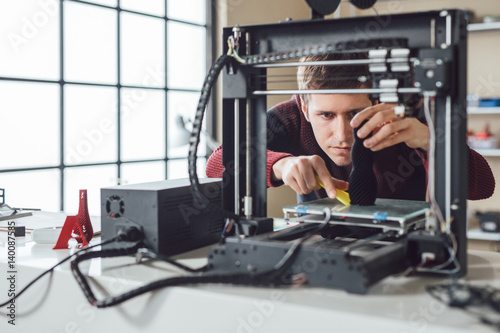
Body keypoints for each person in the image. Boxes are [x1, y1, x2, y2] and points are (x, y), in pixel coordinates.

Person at [206, 53, 495, 203]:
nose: (343, 135)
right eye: (326, 115)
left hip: (406, 250)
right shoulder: (288, 117)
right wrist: (281, 166)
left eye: (355, 113)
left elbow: (483, 187)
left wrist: (430, 141)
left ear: (377, 99)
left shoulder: (408, 115)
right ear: (305, 108)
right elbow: (216, 165)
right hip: (319, 246)